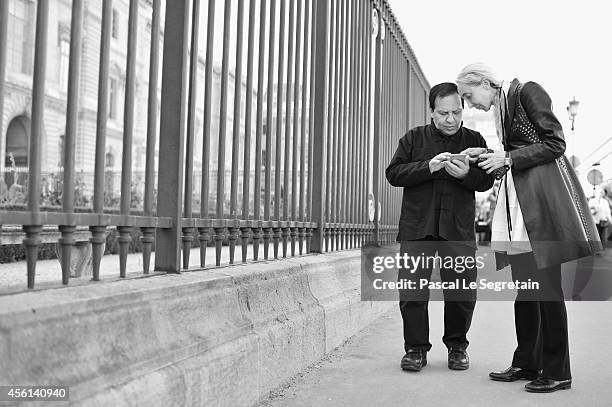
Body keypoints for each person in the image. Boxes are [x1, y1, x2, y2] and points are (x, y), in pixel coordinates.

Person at [456, 63, 601, 393]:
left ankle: (558, 371)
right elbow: (519, 151)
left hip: (538, 210)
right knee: (526, 289)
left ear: (483, 82)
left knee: (547, 290)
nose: (470, 104)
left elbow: (555, 143)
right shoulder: (505, 103)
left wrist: (506, 159)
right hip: (520, 210)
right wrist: (490, 155)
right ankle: (527, 361)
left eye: (468, 95)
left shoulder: (527, 91)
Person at [386, 82, 495, 372]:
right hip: (417, 226)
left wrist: (466, 175)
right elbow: (393, 173)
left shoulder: (475, 139)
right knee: (412, 291)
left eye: (456, 112)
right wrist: (428, 167)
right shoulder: (413, 139)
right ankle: (415, 350)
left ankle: (457, 347)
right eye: (443, 113)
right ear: (431, 111)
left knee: (461, 291)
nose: (450, 119)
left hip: (457, 229)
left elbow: (486, 181)